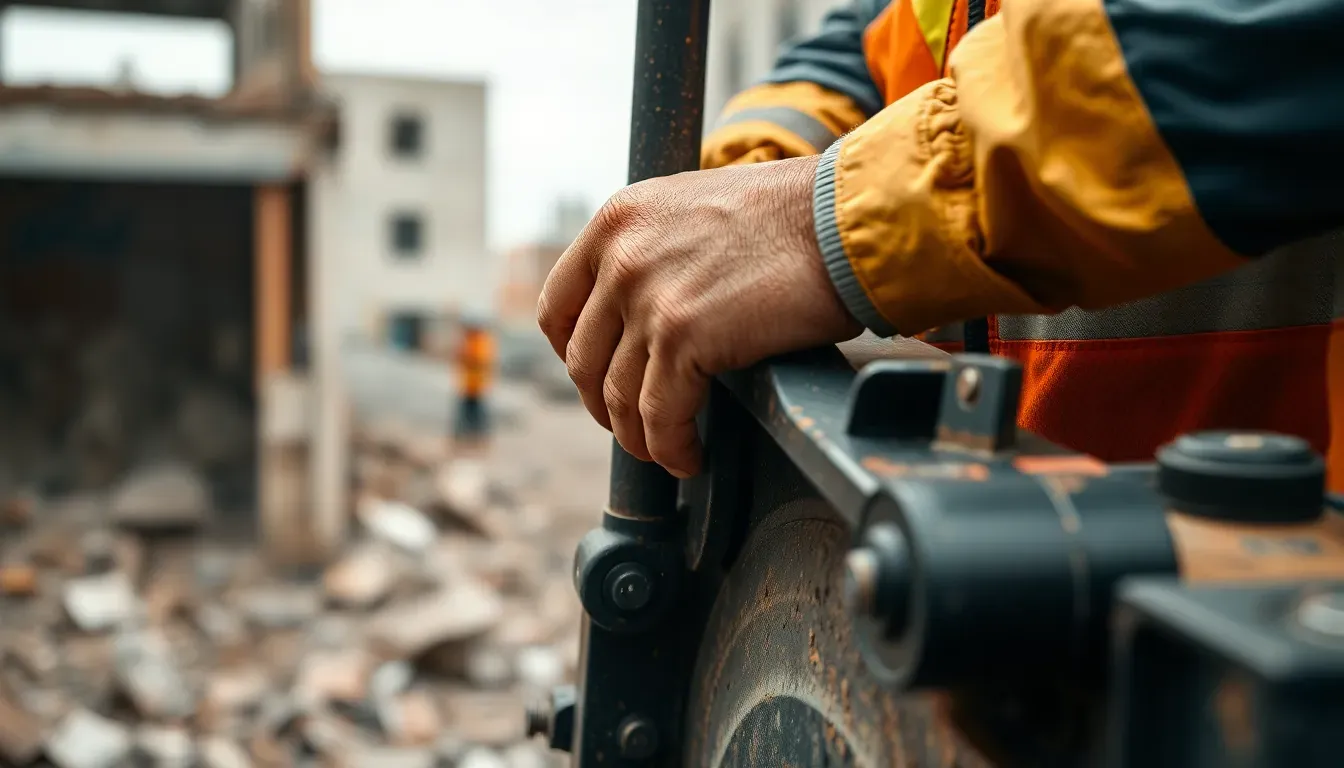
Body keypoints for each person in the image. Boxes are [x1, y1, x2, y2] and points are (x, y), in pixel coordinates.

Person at [537, 0, 1344, 484]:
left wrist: (832, 220)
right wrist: (753, 184)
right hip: (1039, 553)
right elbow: (869, 38)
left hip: (1282, 565)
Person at [453, 318, 496, 451]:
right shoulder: (469, 342)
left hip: (477, 386)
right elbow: (460, 358)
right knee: (465, 414)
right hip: (467, 385)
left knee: (478, 416)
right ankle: (464, 440)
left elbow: (479, 361)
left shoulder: (481, 342)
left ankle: (479, 440)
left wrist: (466, 357)